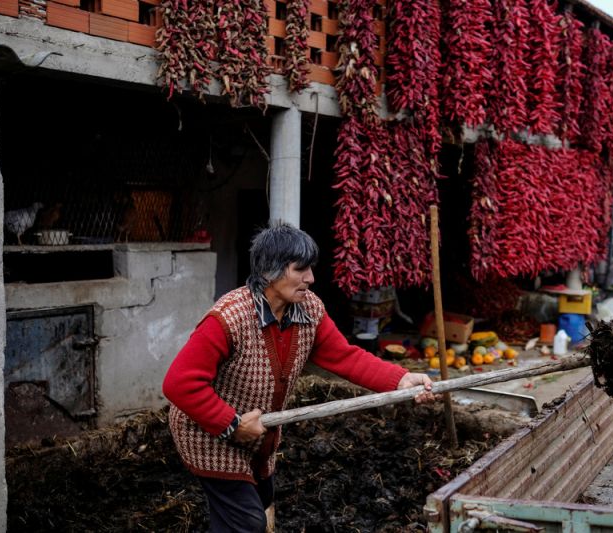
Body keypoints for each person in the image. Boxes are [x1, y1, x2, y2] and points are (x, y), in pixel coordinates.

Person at [163, 221, 436, 533]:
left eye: (310, 268)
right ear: (270, 271)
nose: (311, 278)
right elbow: (178, 383)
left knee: (263, 502)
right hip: (207, 433)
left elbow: (344, 356)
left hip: (259, 432)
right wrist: (231, 424)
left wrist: (400, 379)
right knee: (245, 522)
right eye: (300, 269)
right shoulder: (229, 318)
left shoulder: (308, 310)